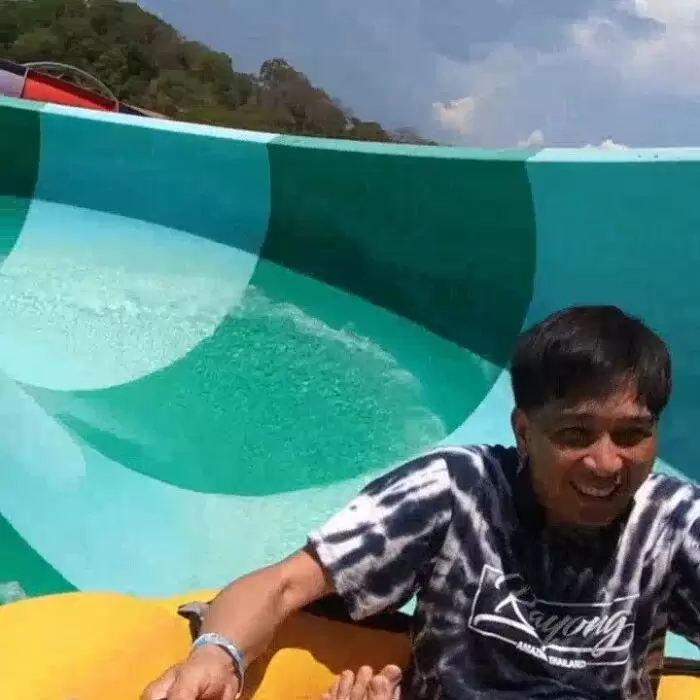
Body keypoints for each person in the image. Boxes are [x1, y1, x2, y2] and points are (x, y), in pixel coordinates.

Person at [142, 304, 700, 700]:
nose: (606, 463)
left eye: (632, 435)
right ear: (524, 432)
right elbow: (285, 584)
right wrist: (216, 654)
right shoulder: (458, 492)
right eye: (575, 435)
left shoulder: (672, 523)